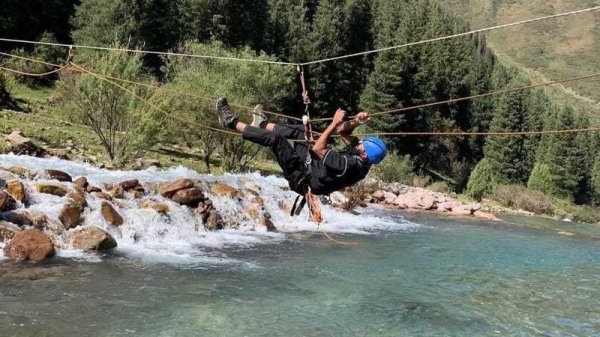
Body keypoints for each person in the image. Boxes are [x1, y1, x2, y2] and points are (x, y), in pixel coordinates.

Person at [215, 97, 387, 197]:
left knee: (277, 140)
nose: (359, 143)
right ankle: (262, 125)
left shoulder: (347, 164)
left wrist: (334, 122)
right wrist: (357, 121)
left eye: (362, 145)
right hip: (312, 168)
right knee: (303, 132)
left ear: (364, 154)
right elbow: (343, 131)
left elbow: (318, 149)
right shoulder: (364, 158)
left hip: (302, 178)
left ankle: (231, 122)